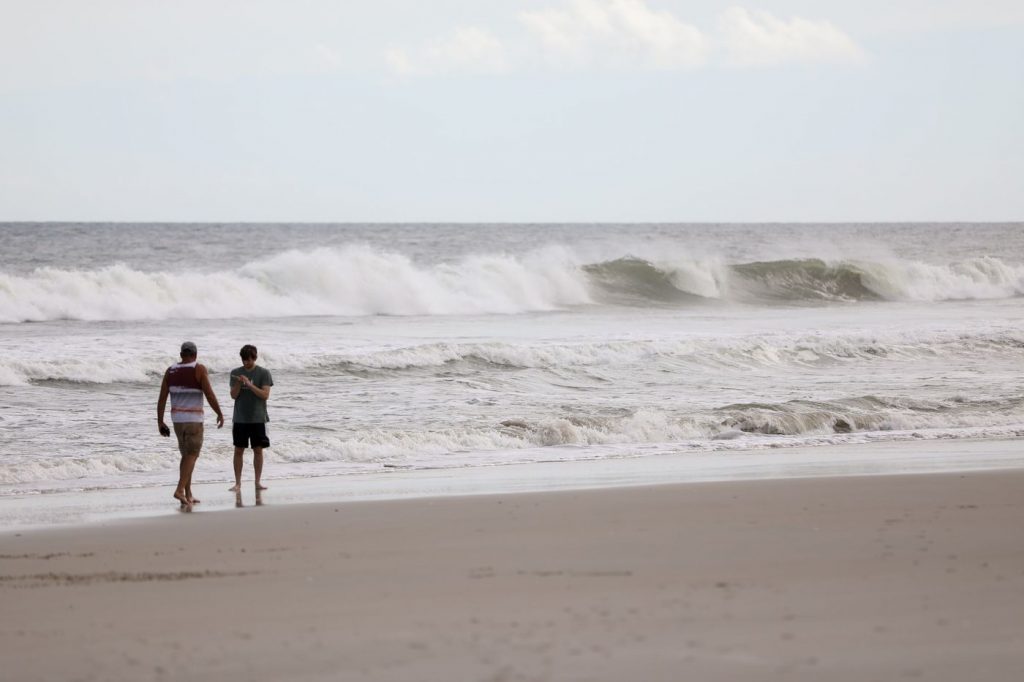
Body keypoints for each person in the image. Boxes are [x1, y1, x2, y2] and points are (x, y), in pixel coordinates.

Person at [157, 341, 224, 507]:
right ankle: (180, 490)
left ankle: (188, 494)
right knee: (192, 455)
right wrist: (219, 413)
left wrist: (160, 421)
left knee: (186, 456)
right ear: (195, 354)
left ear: (181, 354)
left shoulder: (170, 370)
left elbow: (162, 397)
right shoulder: (198, 369)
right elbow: (209, 394)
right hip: (193, 420)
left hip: (177, 421)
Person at [229, 344, 273, 492]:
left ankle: (257, 482)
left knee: (258, 450)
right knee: (238, 450)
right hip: (240, 418)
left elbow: (265, 395)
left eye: (248, 360)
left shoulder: (263, 373)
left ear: (254, 358)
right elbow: (233, 395)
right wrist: (239, 384)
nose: (246, 363)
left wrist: (249, 384)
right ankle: (237, 483)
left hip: (258, 417)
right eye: (243, 360)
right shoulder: (235, 373)